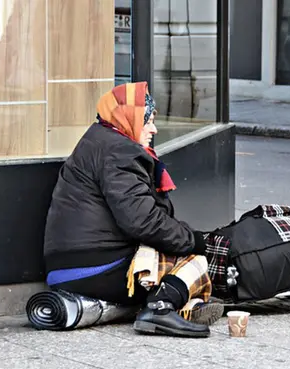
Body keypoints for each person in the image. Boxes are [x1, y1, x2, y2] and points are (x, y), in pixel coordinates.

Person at [43, 82, 224, 338]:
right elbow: (143, 222)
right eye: (147, 121)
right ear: (129, 118)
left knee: (170, 256)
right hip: (94, 268)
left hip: (71, 265)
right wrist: (193, 240)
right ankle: (160, 309)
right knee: (195, 261)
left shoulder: (100, 140)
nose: (154, 129)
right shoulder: (119, 151)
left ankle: (184, 305)